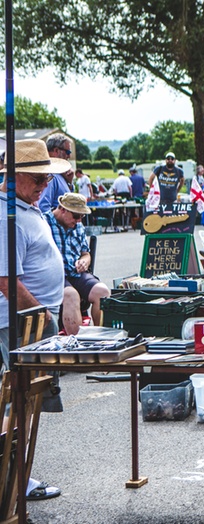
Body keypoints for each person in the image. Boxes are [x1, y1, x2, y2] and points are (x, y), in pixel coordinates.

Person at [0, 139, 67, 502]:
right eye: (37, 179)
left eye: (46, 179)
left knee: (25, 400)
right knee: (19, 400)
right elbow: (8, 281)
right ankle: (14, 480)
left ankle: (16, 476)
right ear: (13, 179)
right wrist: (42, 319)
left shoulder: (22, 206)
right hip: (20, 321)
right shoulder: (5, 215)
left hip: (29, 318)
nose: (44, 186)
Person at [45, 193, 112, 334]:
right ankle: (77, 343)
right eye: (76, 216)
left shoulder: (78, 226)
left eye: (82, 216)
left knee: (103, 292)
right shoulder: (44, 222)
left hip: (75, 272)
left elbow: (86, 253)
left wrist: (84, 262)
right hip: (55, 275)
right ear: (63, 209)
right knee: (71, 295)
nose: (79, 220)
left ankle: (103, 337)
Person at [38, 133, 75, 213]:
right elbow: (43, 207)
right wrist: (56, 224)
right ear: (56, 150)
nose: (69, 156)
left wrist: (69, 183)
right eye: (68, 152)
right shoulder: (50, 175)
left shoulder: (59, 173)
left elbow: (68, 201)